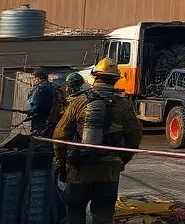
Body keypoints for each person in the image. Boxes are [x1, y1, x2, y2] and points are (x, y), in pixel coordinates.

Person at [53, 58, 143, 224]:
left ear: (94, 78)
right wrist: (121, 160)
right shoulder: (124, 105)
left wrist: (62, 163)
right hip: (108, 171)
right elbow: (135, 137)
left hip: (79, 169)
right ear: (116, 80)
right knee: (103, 215)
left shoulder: (78, 102)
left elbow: (60, 136)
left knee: (74, 213)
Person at [27, 69, 56, 137]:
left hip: (39, 117)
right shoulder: (52, 87)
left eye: (35, 78)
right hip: (49, 117)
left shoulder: (40, 88)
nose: (34, 80)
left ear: (38, 78)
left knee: (37, 135)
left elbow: (34, 103)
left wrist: (30, 113)